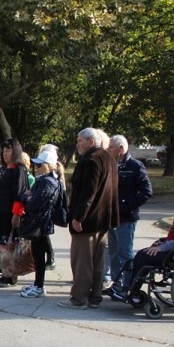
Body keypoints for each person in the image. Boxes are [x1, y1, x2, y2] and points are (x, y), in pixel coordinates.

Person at [109, 179, 174, 303]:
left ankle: (133, 292)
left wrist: (162, 248)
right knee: (142, 254)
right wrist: (162, 242)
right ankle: (129, 289)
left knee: (145, 256)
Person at [57, 127, 119, 309]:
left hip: (88, 221)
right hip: (103, 219)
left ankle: (79, 299)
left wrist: (78, 217)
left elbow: (88, 193)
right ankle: (95, 297)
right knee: (98, 260)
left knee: (82, 261)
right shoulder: (109, 159)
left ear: (91, 142)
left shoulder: (91, 160)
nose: (77, 144)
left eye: (80, 141)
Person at [104, 135, 153, 297]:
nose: (108, 150)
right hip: (111, 216)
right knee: (113, 253)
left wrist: (127, 206)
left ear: (121, 149)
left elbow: (146, 192)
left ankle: (128, 286)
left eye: (111, 147)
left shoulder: (135, 166)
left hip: (125, 218)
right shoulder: (110, 165)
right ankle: (115, 284)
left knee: (125, 253)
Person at [17, 149, 64, 298]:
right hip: (41, 222)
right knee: (38, 254)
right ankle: (38, 284)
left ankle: (39, 286)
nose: (36, 168)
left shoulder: (48, 182)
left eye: (40, 165)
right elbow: (28, 196)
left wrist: (27, 197)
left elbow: (33, 203)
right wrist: (28, 196)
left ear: (50, 166)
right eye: (36, 165)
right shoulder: (46, 180)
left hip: (40, 223)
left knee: (39, 255)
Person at [0, 138, 29, 286]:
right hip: (0, 214)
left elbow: (20, 194)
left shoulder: (19, 169)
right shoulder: (6, 169)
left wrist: (16, 215)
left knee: (11, 245)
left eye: (8, 150)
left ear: (15, 151)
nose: (5, 153)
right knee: (4, 244)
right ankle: (6, 273)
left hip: (10, 215)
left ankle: (11, 277)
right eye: (3, 151)